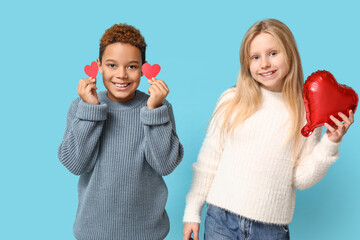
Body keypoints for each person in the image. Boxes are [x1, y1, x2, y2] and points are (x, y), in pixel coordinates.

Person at [182, 19, 354, 240]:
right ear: (247, 64)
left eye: (273, 53)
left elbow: (301, 178)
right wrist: (192, 212)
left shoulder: (306, 112)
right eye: (255, 57)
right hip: (220, 221)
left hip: (270, 230)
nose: (264, 63)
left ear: (289, 54)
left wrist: (330, 143)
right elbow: (208, 161)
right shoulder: (232, 100)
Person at [58, 23, 184, 240]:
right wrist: (90, 110)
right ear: (99, 66)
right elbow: (75, 164)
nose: (122, 75)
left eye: (132, 66)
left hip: (147, 233)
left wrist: (154, 111)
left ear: (144, 68)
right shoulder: (81, 107)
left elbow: (165, 165)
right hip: (93, 232)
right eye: (112, 65)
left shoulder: (159, 107)